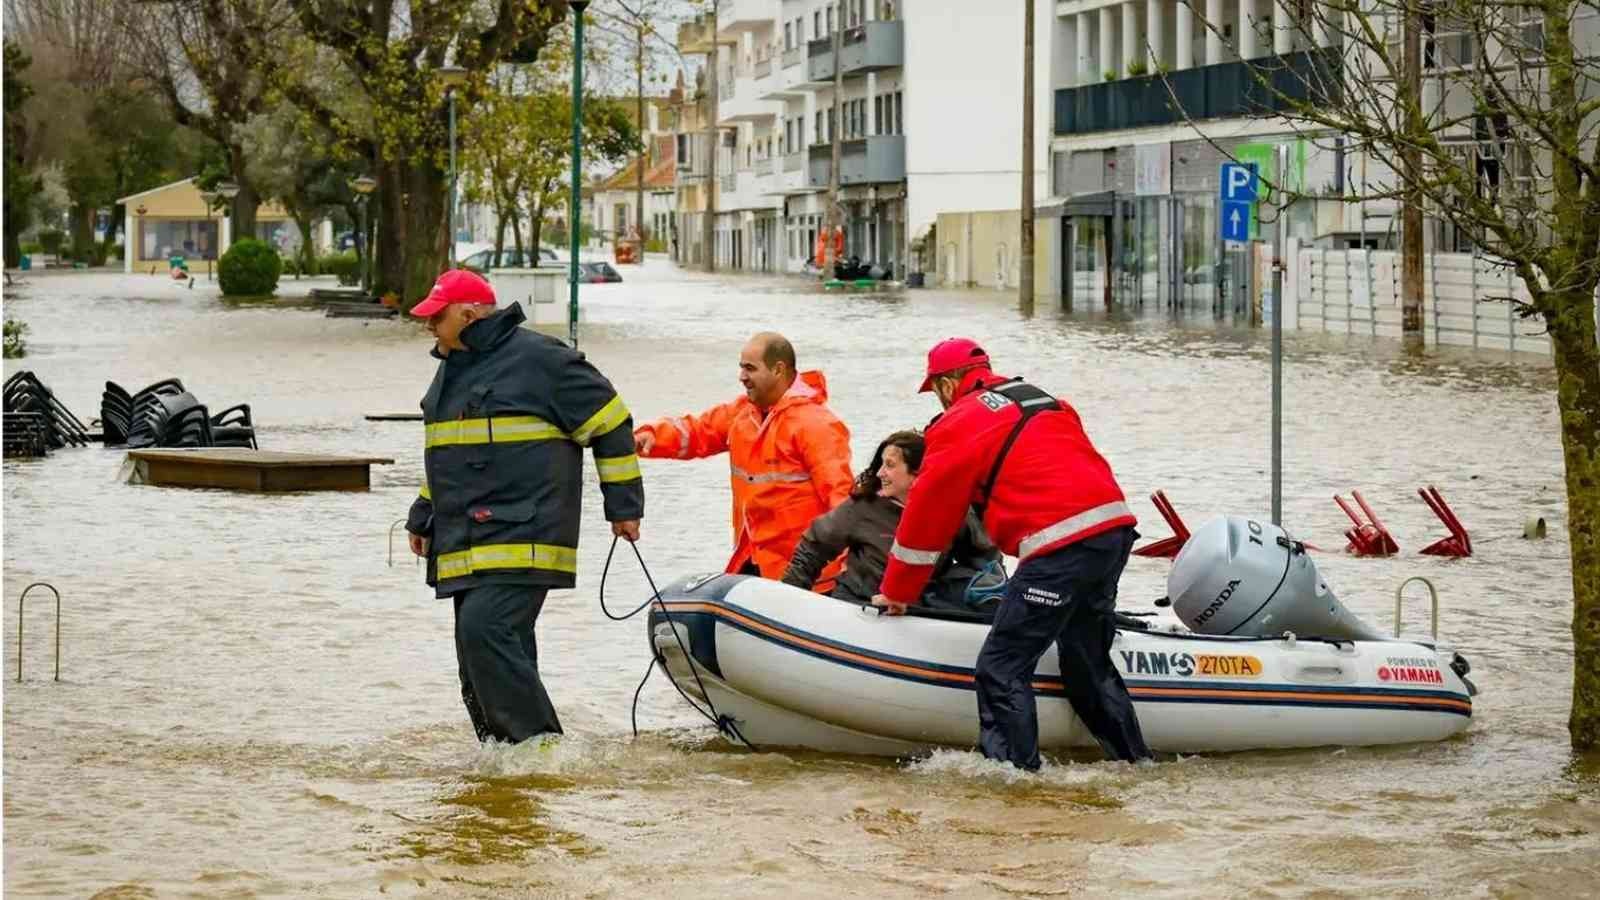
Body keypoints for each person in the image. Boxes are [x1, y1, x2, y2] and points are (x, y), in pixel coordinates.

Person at [871, 338, 1151, 770]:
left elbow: (928, 515)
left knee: (1001, 666)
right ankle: (1135, 763)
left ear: (947, 385)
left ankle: (1017, 781)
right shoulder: (1046, 400)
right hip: (1112, 532)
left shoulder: (959, 421)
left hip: (1061, 548)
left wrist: (897, 590)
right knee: (1087, 660)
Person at [404, 269, 643, 745]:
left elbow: (612, 421)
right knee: (477, 656)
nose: (429, 326)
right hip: (465, 540)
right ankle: (504, 767)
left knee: (484, 633)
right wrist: (423, 512)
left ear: (469, 314)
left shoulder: (541, 361)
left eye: (437, 316)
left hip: (526, 534)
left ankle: (540, 751)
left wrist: (623, 506)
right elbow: (448, 455)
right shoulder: (452, 368)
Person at [634, 332, 852, 582]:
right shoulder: (743, 414)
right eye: (741, 368)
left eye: (750, 369)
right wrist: (650, 436)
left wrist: (850, 565)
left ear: (778, 370)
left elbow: (841, 498)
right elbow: (697, 432)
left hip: (806, 575)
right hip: (753, 561)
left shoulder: (815, 424)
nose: (742, 377)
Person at [782, 430, 1000, 610]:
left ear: (917, 471)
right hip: (858, 607)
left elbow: (984, 558)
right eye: (881, 464)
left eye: (890, 465)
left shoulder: (952, 509)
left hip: (915, 611)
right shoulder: (861, 507)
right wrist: (787, 603)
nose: (880, 473)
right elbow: (812, 549)